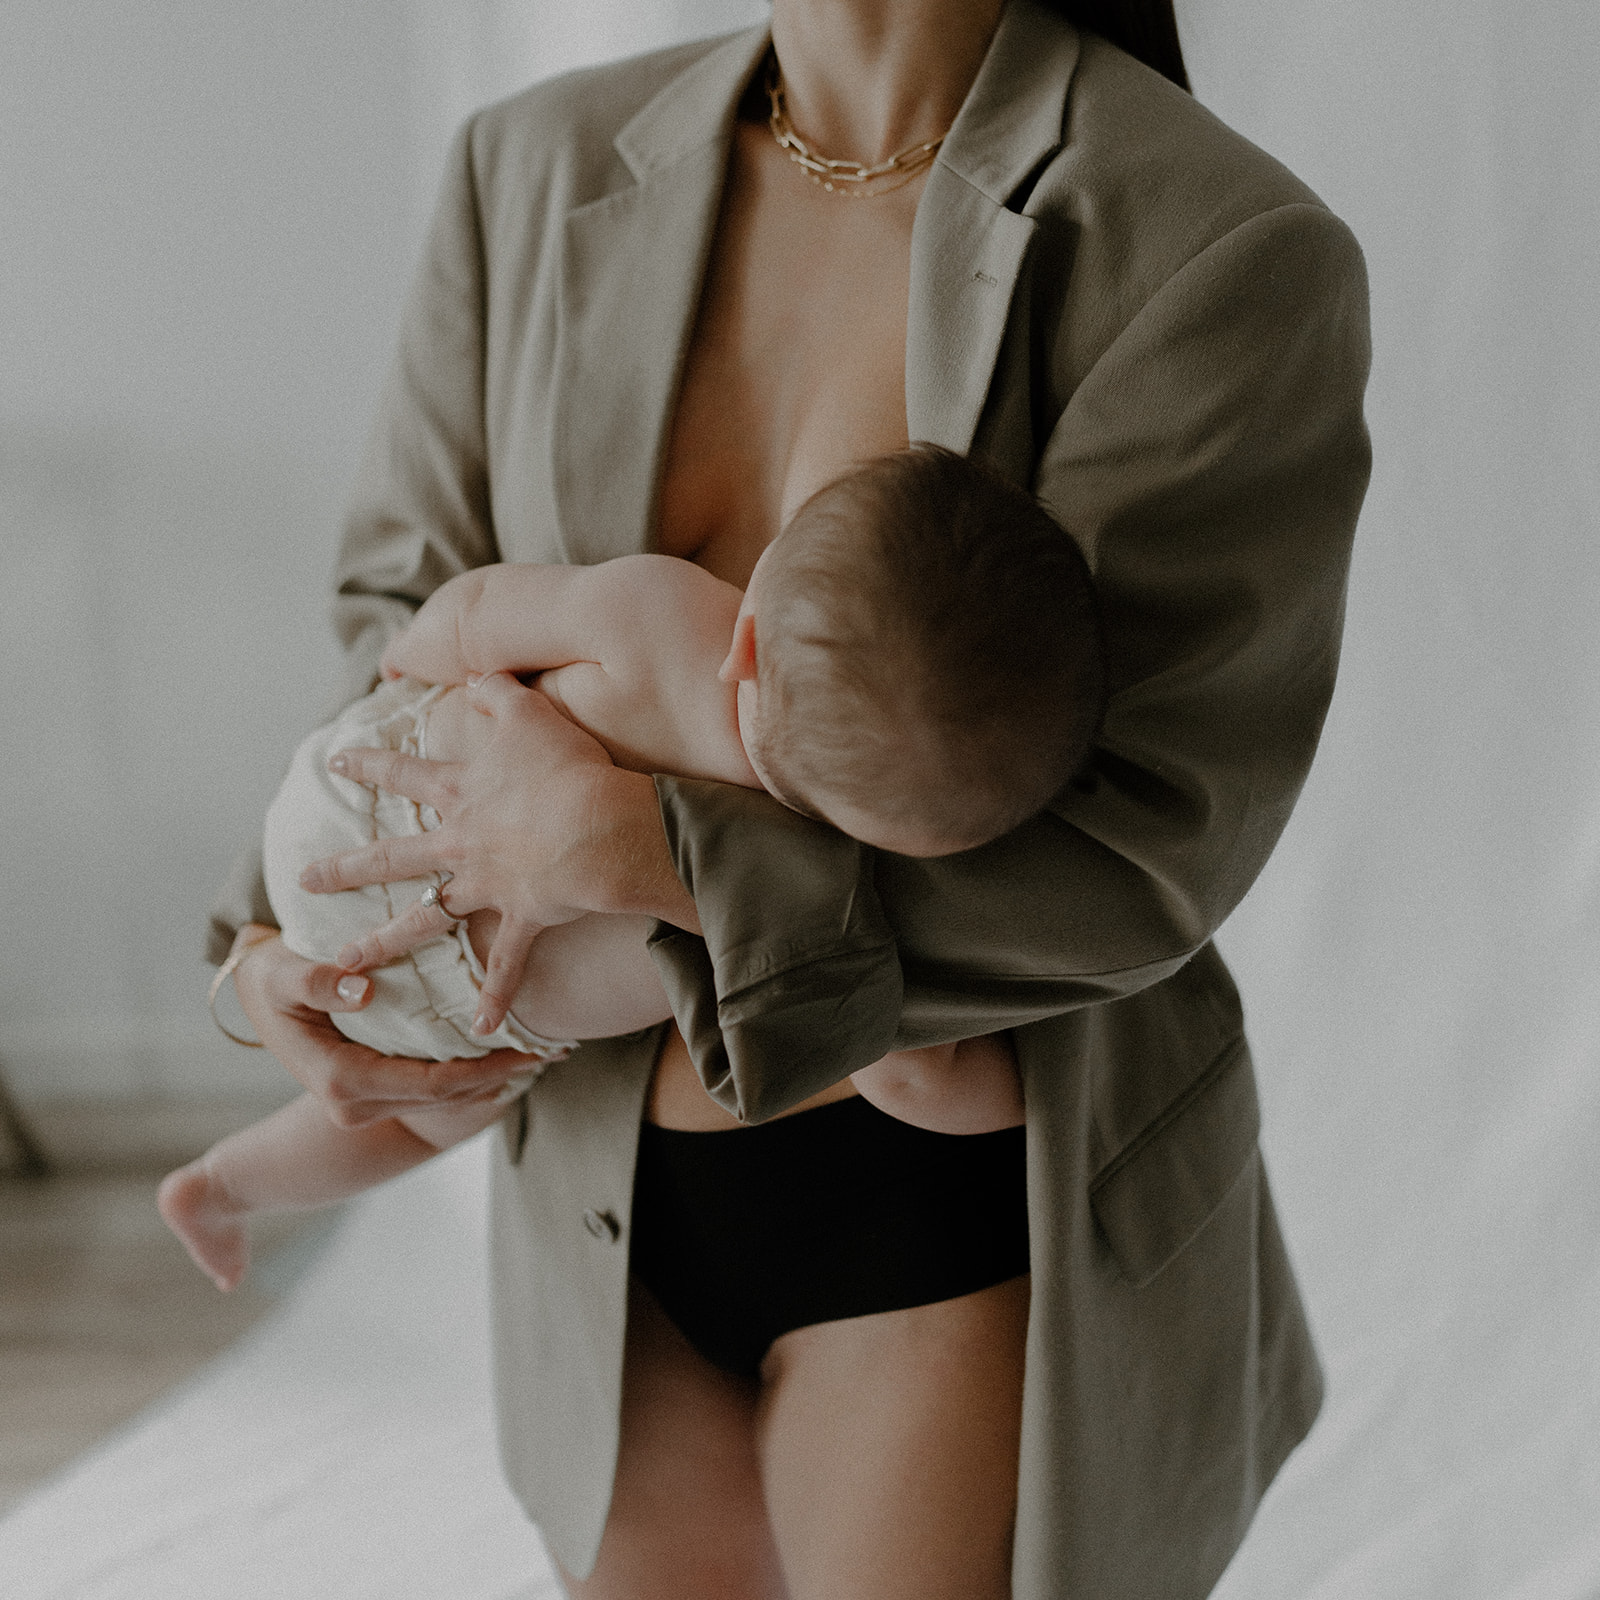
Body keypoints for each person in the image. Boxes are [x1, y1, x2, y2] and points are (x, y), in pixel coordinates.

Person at [208, 2, 1372, 1596]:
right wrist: (279, 943)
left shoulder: (1215, 247)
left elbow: (1140, 857)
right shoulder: (529, 170)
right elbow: (388, 641)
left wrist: (636, 847)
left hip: (952, 1200)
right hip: (603, 1207)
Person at [163, 447, 1103, 1291]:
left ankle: (215, 1182)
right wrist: (1046, 1107)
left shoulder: (666, 617)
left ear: (748, 633)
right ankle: (224, 1186)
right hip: (470, 1009)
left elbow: (478, 610)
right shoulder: (825, 896)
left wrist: (412, 679)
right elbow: (916, 1084)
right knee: (418, 1119)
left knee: (410, 1088)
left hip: (356, 799)